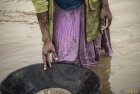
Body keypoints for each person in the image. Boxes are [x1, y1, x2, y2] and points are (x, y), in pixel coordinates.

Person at [32, 0, 112, 70]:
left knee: (94, 61)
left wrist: (105, 6)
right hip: (62, 12)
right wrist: (46, 40)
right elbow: (39, 3)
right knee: (64, 63)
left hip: (91, 12)